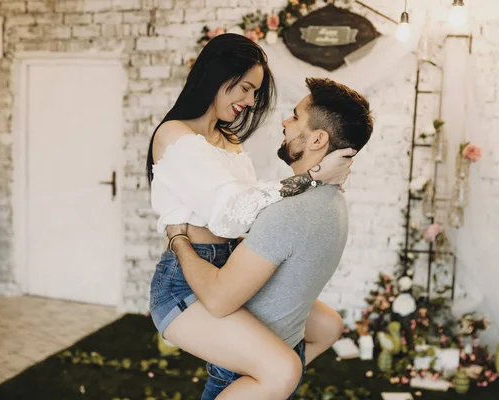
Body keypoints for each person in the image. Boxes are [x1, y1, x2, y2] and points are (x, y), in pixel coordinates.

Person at [147, 33, 356, 400]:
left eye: (254, 92)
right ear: (216, 77)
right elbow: (230, 216)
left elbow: (247, 212)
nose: (249, 101)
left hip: (227, 260)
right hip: (184, 281)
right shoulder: (174, 134)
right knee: (280, 369)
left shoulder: (228, 140)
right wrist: (310, 177)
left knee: (326, 325)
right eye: (245, 88)